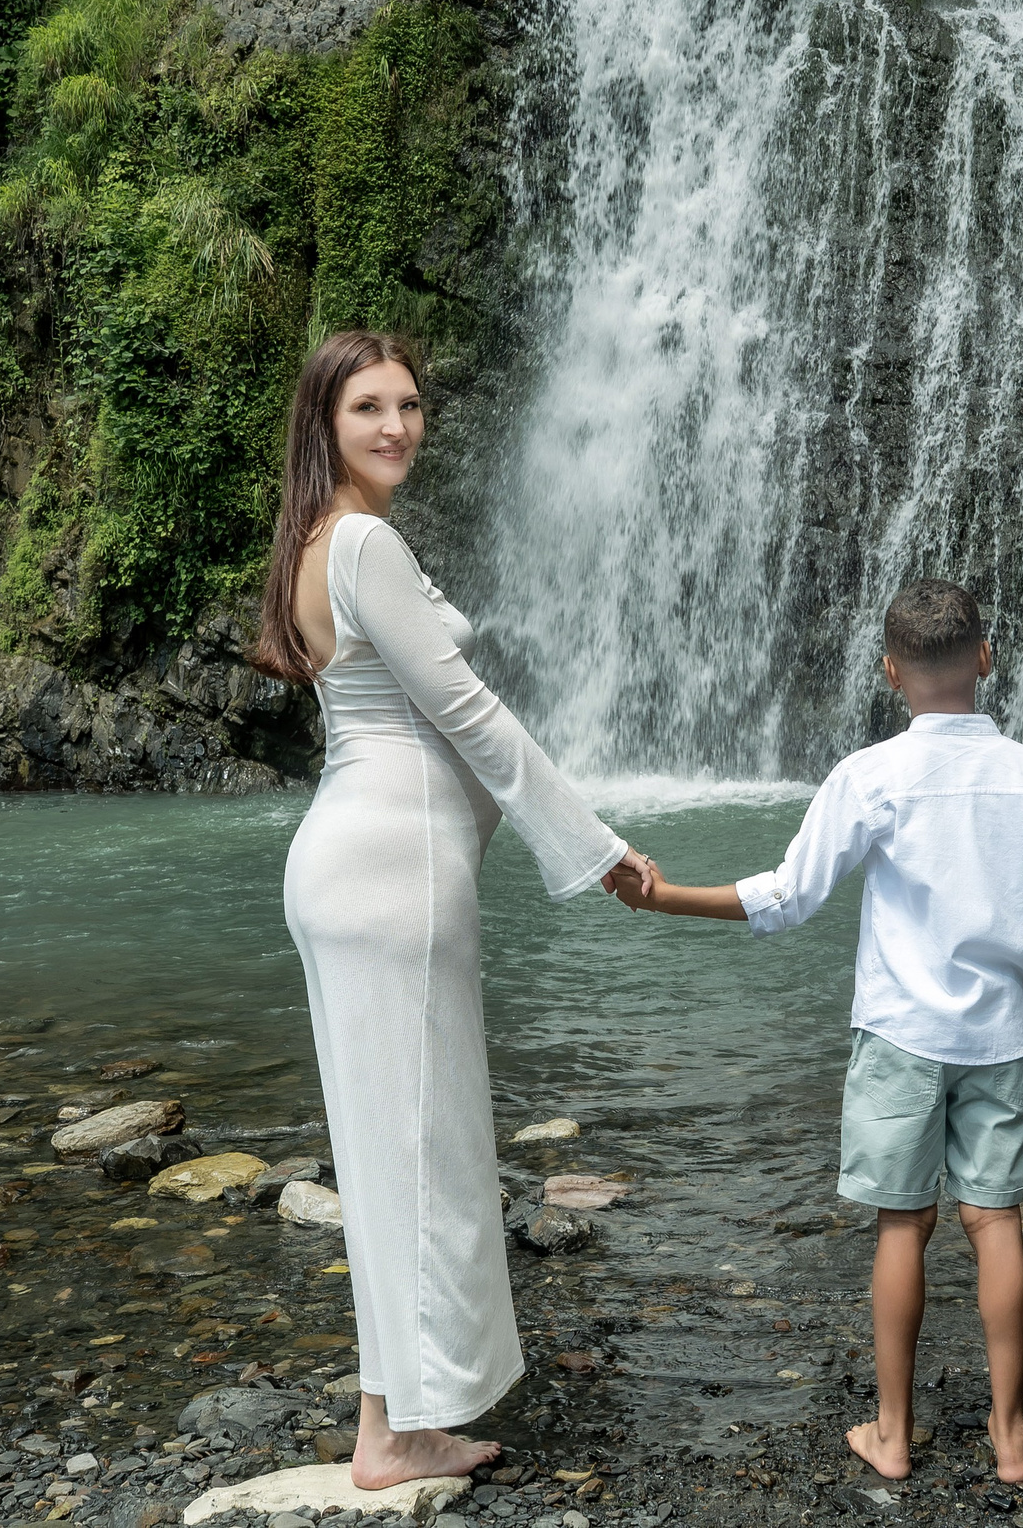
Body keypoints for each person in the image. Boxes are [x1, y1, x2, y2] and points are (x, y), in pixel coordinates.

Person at [609, 578, 1023, 1487]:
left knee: (904, 1225)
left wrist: (665, 899)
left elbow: (788, 897)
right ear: (985, 657)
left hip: (899, 1036)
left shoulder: (868, 777)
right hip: (1001, 1041)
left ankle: (892, 1435)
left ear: (890, 669)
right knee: (996, 1221)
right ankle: (1011, 1438)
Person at [251, 331, 652, 1487]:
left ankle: (393, 1421)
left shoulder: (316, 539)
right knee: (420, 1154)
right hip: (394, 872)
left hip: (350, 860)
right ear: (325, 421)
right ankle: (397, 1428)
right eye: (369, 406)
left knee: (390, 1157)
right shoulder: (365, 539)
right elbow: (468, 711)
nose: (397, 426)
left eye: (411, 404)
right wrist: (591, 845)